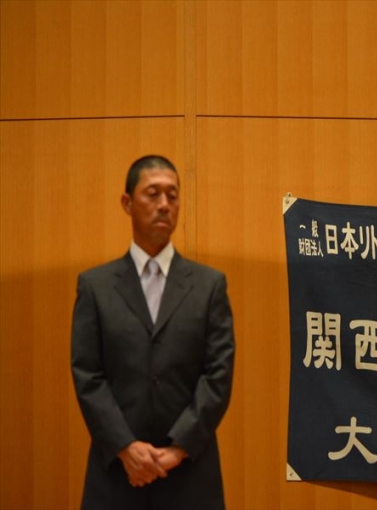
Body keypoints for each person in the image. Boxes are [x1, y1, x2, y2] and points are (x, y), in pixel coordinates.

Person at [71, 155, 235, 510]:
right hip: (116, 473)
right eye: (153, 194)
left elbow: (218, 375)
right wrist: (125, 446)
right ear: (127, 203)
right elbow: (88, 375)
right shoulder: (95, 287)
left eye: (172, 196)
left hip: (191, 472)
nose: (164, 204)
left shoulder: (209, 286)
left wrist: (178, 448)